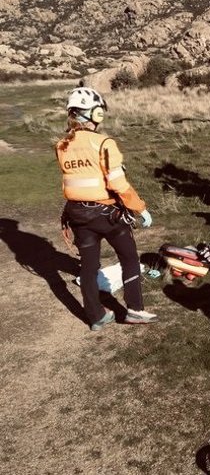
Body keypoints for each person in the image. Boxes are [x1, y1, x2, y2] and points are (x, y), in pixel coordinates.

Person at [56, 86, 158, 331]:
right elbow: (118, 183)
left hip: (77, 214)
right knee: (129, 258)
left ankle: (96, 316)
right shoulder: (104, 143)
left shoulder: (61, 145)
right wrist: (139, 208)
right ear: (95, 114)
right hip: (107, 214)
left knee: (89, 267)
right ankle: (134, 310)